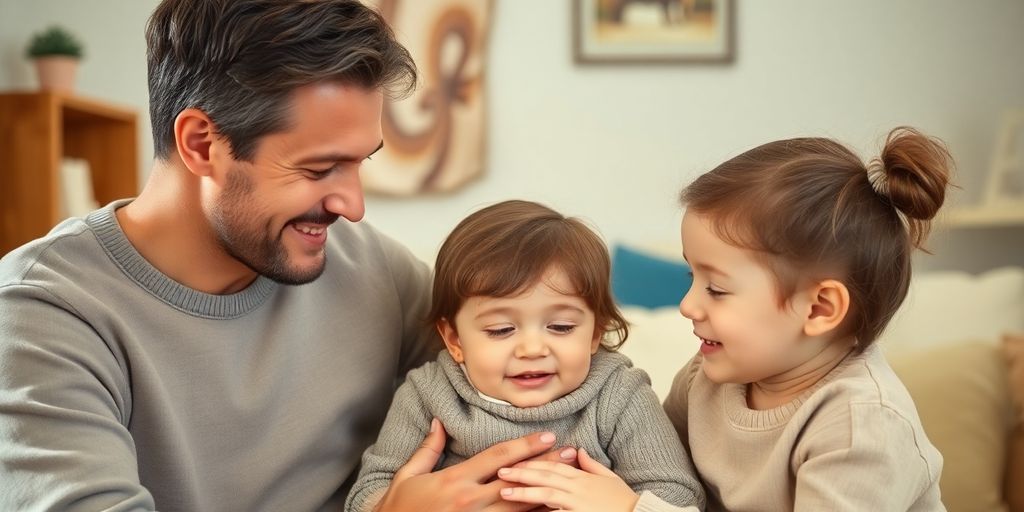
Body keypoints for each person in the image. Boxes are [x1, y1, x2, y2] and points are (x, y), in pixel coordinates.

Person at [0, 2, 576, 510]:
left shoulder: (375, 272)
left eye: (361, 162)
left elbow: (572, 380)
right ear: (202, 143)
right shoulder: (42, 312)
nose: (352, 206)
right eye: (319, 168)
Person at [346, 200, 705, 512]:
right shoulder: (428, 393)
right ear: (454, 339)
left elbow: (678, 494)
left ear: (596, 333)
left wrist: (619, 505)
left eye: (561, 327)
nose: (532, 349)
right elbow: (370, 491)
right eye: (501, 330)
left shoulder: (619, 393)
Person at [663, 127, 950, 511]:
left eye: (716, 288)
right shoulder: (705, 377)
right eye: (690, 277)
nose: (687, 305)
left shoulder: (861, 427)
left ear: (819, 309)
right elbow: (651, 472)